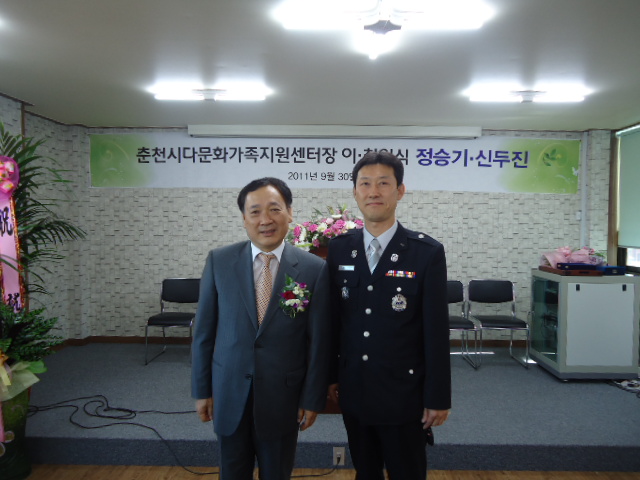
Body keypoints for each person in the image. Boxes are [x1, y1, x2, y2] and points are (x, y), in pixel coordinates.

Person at [191, 177, 331, 480]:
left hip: (283, 398)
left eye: (274, 209)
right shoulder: (219, 261)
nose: (265, 220)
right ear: (244, 218)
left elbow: (319, 343)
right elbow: (203, 334)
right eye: (255, 212)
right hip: (228, 392)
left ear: (290, 212)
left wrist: (311, 398)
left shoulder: (314, 269)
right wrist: (202, 390)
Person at [327, 151, 451, 480]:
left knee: (407, 472)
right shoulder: (340, 249)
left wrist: (438, 396)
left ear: (400, 191)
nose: (374, 192)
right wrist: (330, 377)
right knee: (365, 473)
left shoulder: (425, 253)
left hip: (404, 394)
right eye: (365, 184)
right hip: (355, 390)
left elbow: (436, 332)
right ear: (355, 192)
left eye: (383, 183)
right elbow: (333, 322)